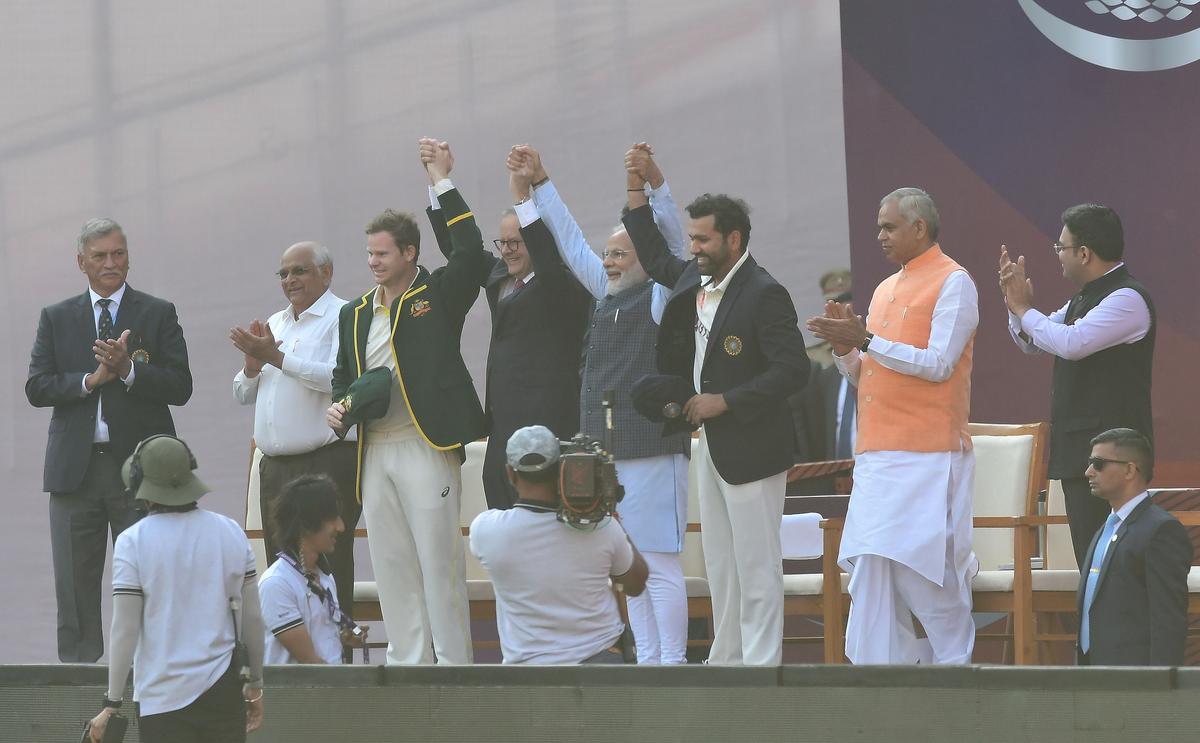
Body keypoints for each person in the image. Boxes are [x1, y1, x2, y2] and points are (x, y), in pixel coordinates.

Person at [500, 142, 691, 664]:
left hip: (653, 447)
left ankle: (672, 666)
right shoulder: (606, 296)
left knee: (660, 562)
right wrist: (540, 184)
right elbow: (566, 240)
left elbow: (670, 240)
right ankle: (649, 662)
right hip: (607, 452)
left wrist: (655, 184)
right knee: (629, 563)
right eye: (606, 254)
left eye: (620, 254)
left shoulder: (660, 296)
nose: (606, 261)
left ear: (646, 263)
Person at [624, 180, 810, 666]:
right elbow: (653, 253)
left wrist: (725, 402)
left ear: (734, 240)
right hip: (707, 443)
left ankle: (763, 664)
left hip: (752, 446)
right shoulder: (696, 281)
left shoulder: (764, 292)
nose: (694, 249)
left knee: (756, 563)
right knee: (720, 565)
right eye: (691, 239)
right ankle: (727, 659)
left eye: (703, 240)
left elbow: (794, 369)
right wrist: (636, 187)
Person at [326, 139, 491, 665]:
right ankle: (407, 665)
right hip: (375, 451)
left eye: (382, 254)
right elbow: (341, 378)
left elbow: (470, 253)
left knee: (438, 563)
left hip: (427, 444)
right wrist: (338, 406)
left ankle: (454, 670)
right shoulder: (352, 313)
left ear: (409, 254)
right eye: (369, 254)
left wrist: (441, 181)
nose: (373, 262)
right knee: (391, 562)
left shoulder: (436, 295)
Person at [807, 187, 978, 665]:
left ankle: (956, 670)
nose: (879, 235)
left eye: (888, 227)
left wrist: (863, 337)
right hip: (878, 456)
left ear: (918, 227)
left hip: (926, 454)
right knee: (872, 573)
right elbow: (869, 375)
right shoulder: (884, 288)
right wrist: (846, 350)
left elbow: (939, 363)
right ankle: (885, 680)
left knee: (921, 573)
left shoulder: (954, 282)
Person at [25, 217, 193, 663]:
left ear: (128, 257)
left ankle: (153, 676)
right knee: (76, 584)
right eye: (99, 256)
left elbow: (181, 386)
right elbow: (37, 387)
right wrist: (88, 380)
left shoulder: (156, 312)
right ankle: (80, 680)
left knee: (148, 578)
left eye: (118, 253)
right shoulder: (57, 317)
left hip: (140, 470)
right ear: (81, 262)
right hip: (74, 472)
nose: (110, 263)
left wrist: (129, 371)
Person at [425, 144, 592, 510]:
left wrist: (522, 194)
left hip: (548, 429)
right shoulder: (500, 275)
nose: (508, 251)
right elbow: (462, 250)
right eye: (503, 242)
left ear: (538, 239)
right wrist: (439, 182)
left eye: (517, 242)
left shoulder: (562, 283)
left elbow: (548, 259)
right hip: (502, 430)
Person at [1000, 204, 1155, 568]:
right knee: (1092, 561)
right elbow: (1036, 341)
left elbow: (1072, 343)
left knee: (1114, 564)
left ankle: (1116, 627)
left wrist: (1025, 310)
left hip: (1117, 457)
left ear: (1084, 253)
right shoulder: (1084, 297)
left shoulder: (1126, 297)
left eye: (1060, 248)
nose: (1058, 256)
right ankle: (1096, 627)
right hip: (1081, 454)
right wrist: (1014, 305)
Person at [86, 435, 264, 743]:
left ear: (142, 486)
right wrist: (256, 685)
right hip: (224, 692)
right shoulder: (230, 531)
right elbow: (252, 618)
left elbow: (124, 630)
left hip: (161, 698)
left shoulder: (133, 542)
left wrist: (112, 703)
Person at [232, 241, 359, 617]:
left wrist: (277, 357)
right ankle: (292, 666)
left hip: (324, 463)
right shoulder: (275, 322)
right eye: (284, 273)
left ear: (326, 273)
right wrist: (254, 366)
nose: (290, 279)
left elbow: (340, 379)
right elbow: (242, 393)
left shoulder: (345, 315)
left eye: (299, 270)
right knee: (283, 569)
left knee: (330, 567)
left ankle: (336, 664)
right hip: (275, 468)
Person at [469, 425, 649, 664]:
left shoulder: (485, 530)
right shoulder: (601, 528)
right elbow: (636, 584)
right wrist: (608, 513)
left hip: (526, 675)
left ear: (510, 474)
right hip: (601, 669)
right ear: (561, 469)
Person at [1076, 428, 1191, 666]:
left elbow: (1168, 619)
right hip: (1092, 674)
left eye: (1098, 463)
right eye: (1089, 463)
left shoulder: (1161, 530)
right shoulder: (1105, 529)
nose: (1088, 472)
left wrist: (1161, 686)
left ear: (1129, 469)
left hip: (1134, 683)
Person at [259, 474, 365, 664]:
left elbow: (316, 646)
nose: (341, 527)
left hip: (322, 689)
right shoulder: (276, 584)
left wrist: (339, 637)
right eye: (333, 519)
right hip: (302, 693)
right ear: (307, 525)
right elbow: (310, 664)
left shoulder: (324, 577)